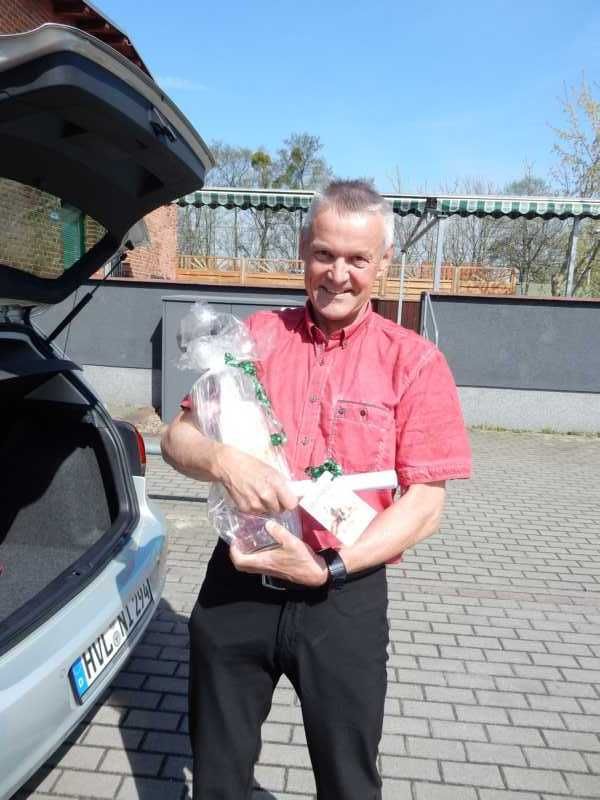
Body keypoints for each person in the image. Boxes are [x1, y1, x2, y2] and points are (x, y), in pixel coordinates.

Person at [161, 180, 472, 799]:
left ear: (383, 263)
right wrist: (223, 460)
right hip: (238, 584)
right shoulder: (254, 339)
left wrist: (329, 567)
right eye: (325, 254)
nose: (338, 274)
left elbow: (426, 504)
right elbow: (177, 439)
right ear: (303, 248)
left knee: (349, 782)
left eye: (358, 258)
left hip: (343, 596)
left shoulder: (414, 362)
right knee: (217, 777)